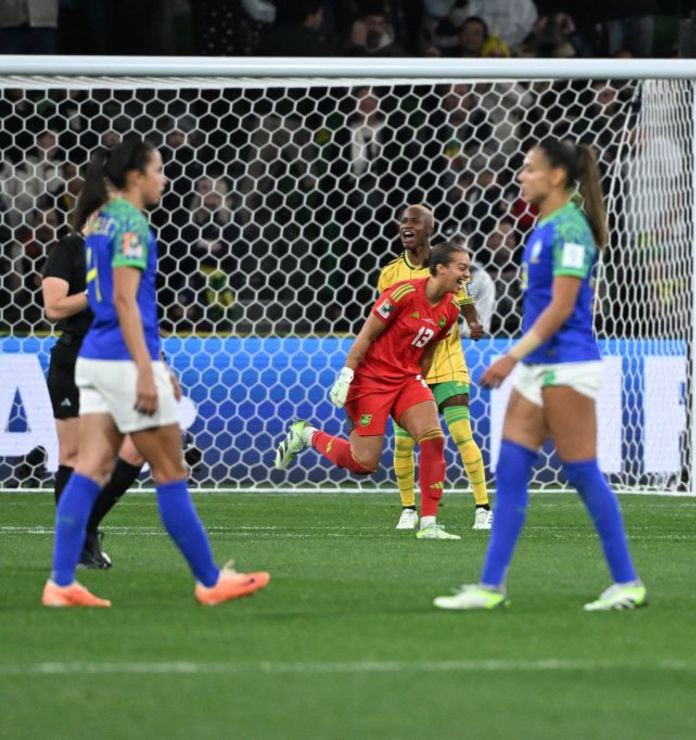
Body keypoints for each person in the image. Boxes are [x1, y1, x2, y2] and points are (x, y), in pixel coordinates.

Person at [43, 137, 269, 608]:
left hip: (94, 358)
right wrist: (150, 369)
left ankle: (62, 581)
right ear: (136, 177)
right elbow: (126, 300)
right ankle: (210, 580)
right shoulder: (129, 224)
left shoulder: (100, 221)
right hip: (125, 360)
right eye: (158, 169)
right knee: (170, 469)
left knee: (90, 466)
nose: (164, 178)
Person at [433, 139, 646, 611]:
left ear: (555, 177)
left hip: (567, 364)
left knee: (583, 472)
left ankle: (628, 582)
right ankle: (490, 587)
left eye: (529, 169)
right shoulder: (546, 226)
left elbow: (563, 308)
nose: (521, 176)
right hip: (538, 366)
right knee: (509, 471)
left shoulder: (569, 228)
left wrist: (511, 357)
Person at [275, 243, 470, 540]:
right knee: (364, 463)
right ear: (440, 268)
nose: (466, 275)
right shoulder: (403, 293)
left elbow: (428, 350)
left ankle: (429, 524)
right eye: (462, 268)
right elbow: (367, 335)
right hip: (370, 381)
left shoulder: (450, 310)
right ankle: (306, 434)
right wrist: (347, 374)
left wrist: (421, 383)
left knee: (433, 438)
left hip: (407, 380)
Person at [41, 154, 147, 569]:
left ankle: (84, 528)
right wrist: (93, 292)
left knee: (135, 449)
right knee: (73, 455)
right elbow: (52, 307)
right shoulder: (68, 249)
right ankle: (78, 544)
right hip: (73, 360)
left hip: (117, 360)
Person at [373, 205, 491, 531]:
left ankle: (483, 508)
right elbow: (382, 317)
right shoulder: (390, 273)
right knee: (404, 443)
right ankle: (408, 508)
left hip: (448, 361)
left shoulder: (446, 266)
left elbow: (464, 297)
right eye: (403, 221)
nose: (405, 226)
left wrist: (474, 321)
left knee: (461, 433)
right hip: (409, 369)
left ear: (428, 228)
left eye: (414, 222)